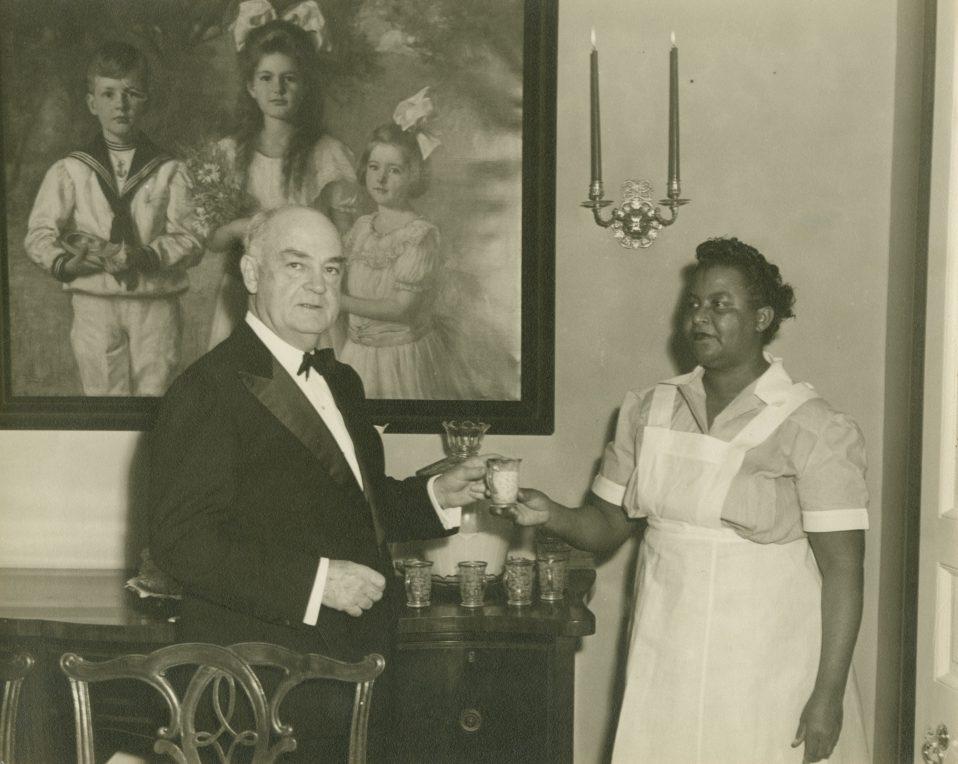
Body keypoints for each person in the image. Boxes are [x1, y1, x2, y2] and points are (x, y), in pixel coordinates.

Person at [497, 237, 870, 763]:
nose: (700, 317)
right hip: (666, 648)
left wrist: (827, 696)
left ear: (763, 317)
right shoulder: (650, 409)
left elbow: (844, 570)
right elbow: (607, 524)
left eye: (721, 304)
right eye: (694, 303)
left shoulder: (813, 426)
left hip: (770, 657)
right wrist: (550, 512)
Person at [149, 205, 486, 758]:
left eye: (331, 269)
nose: (318, 286)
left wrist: (432, 496)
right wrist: (317, 584)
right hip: (262, 691)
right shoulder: (206, 390)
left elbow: (352, 506)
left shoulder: (341, 379)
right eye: (296, 265)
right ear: (253, 275)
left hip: (354, 670)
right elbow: (181, 542)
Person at [24, 40, 202, 395]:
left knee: (155, 399)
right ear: (92, 102)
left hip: (154, 301)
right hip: (94, 302)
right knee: (103, 401)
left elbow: (191, 239)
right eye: (108, 94)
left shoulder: (169, 170)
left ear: (147, 98)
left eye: (131, 93)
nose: (120, 104)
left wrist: (147, 255)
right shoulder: (70, 170)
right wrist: (65, 263)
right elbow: (39, 234)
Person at [205, 12, 358, 349]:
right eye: (266, 78)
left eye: (289, 78)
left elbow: (348, 238)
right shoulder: (229, 154)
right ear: (250, 86)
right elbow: (213, 239)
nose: (277, 89)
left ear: (304, 85)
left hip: (305, 297)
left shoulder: (326, 155)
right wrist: (239, 228)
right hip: (242, 294)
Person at [338, 90, 455, 399]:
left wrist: (338, 302)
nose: (381, 178)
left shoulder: (420, 235)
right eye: (375, 167)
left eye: (395, 170)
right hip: (357, 355)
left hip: (400, 359)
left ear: (413, 176)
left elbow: (402, 309)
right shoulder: (361, 226)